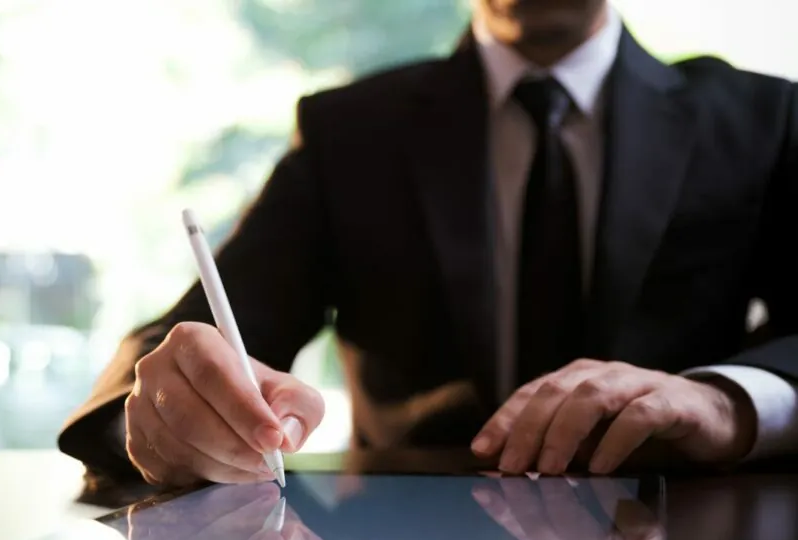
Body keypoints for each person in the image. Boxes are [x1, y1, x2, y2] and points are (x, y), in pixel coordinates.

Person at [59, 0, 798, 490]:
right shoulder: (349, 134)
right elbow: (176, 343)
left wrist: (726, 400)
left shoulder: (764, 119)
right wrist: (163, 412)